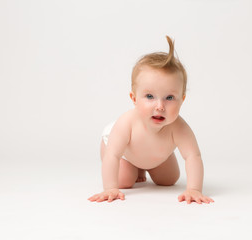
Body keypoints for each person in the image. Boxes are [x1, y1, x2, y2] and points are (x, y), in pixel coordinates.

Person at [88, 36, 214, 204]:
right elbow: (113, 155)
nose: (160, 106)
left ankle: (144, 166)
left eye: (169, 97)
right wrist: (110, 187)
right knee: (125, 180)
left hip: (156, 154)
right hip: (123, 152)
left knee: (169, 179)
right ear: (134, 98)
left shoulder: (179, 127)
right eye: (149, 96)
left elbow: (193, 156)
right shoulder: (127, 123)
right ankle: (135, 168)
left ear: (182, 100)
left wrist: (194, 189)